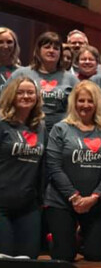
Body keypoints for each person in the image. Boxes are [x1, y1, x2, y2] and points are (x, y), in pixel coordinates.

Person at [44, 80, 101, 262]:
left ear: (97, 104)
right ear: (73, 103)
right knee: (64, 256)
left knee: (97, 254)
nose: (85, 105)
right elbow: (53, 166)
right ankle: (60, 240)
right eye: (81, 100)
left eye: (90, 101)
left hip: (95, 201)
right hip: (62, 201)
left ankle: (79, 236)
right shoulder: (61, 129)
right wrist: (74, 196)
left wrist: (95, 196)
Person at [0, 77, 45, 258]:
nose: (26, 96)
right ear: (11, 95)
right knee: (5, 258)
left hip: (28, 206)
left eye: (30, 92)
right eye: (20, 92)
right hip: (1, 204)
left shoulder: (40, 127)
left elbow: (43, 167)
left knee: (29, 258)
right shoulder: (2, 124)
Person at [8, 31, 79, 134]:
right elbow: (5, 102)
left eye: (56, 48)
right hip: (26, 131)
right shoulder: (21, 74)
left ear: (60, 53)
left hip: (60, 134)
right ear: (38, 50)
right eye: (47, 47)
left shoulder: (71, 79)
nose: (51, 51)